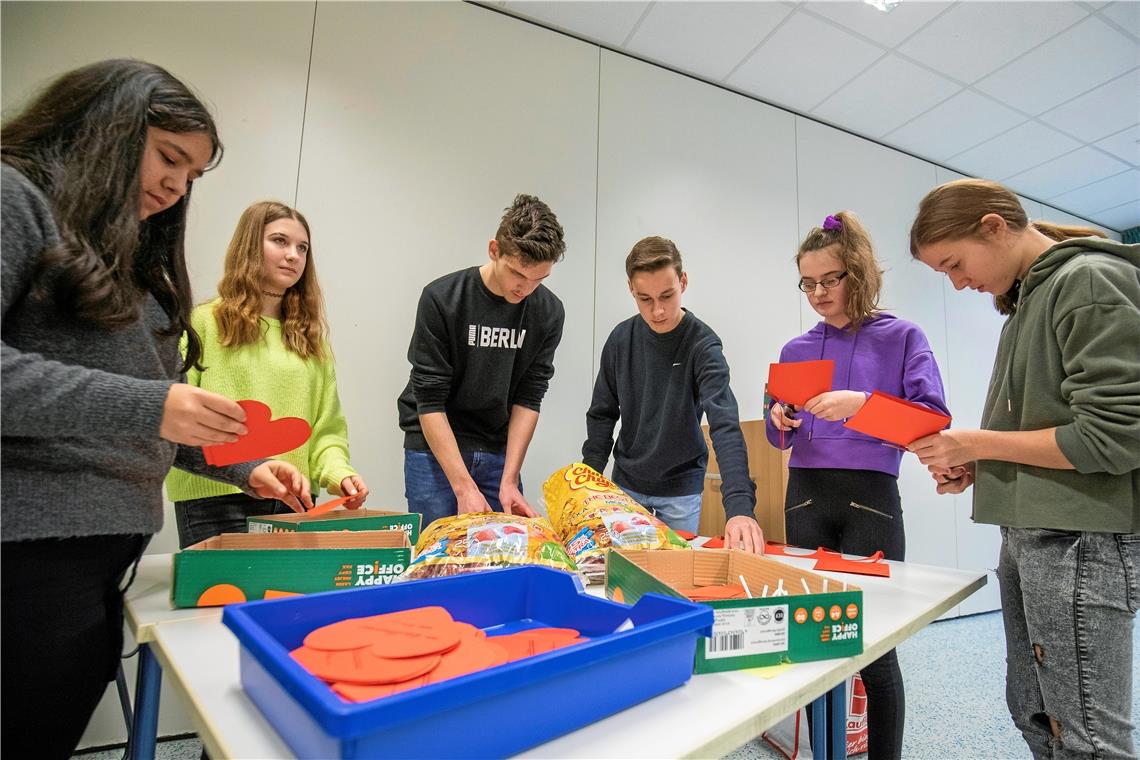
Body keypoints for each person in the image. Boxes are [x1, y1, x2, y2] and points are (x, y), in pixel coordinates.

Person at [0, 60, 310, 759]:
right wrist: (153, 403)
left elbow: (158, 418)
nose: (176, 186)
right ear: (103, 128)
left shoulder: (133, 261)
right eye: (170, 157)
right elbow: (145, 406)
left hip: (100, 553)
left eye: (192, 176)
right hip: (25, 552)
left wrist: (248, 467)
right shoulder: (14, 199)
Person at [909, 178, 1139, 760]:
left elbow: (1113, 436)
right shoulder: (1022, 306)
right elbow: (1046, 429)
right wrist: (981, 465)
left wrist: (976, 443)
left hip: (1079, 538)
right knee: (1036, 712)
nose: (959, 282)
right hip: (1033, 533)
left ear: (992, 226)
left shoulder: (1087, 281)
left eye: (955, 264)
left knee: (1087, 733)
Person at [765, 211, 949, 760]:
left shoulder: (901, 337)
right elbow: (777, 435)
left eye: (830, 279)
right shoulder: (797, 348)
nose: (818, 293)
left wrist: (861, 407)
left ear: (858, 273)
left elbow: (930, 419)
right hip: (805, 495)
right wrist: (779, 420)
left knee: (876, 649)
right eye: (808, 282)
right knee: (816, 646)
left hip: (870, 499)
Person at [166, 201, 369, 548]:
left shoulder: (310, 341)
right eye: (279, 241)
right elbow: (177, 416)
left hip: (294, 504)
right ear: (249, 245)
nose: (293, 255)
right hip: (216, 499)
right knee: (215, 603)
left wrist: (341, 475)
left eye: (302, 248)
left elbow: (327, 431)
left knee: (284, 601)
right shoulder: (202, 323)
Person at [581, 236, 764, 551]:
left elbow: (724, 424)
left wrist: (739, 508)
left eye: (667, 295)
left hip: (680, 488)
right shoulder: (620, 340)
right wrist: (589, 480)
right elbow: (602, 413)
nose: (658, 311)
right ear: (631, 290)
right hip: (626, 483)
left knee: (673, 575)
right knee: (622, 571)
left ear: (683, 281)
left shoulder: (703, 346)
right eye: (645, 299)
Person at [397, 194, 566, 526]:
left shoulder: (549, 312)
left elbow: (529, 397)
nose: (527, 289)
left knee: (503, 560)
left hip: (497, 451)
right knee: (438, 561)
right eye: (519, 274)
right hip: (434, 450)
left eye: (539, 280)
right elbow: (429, 400)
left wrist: (510, 479)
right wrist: (463, 487)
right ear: (494, 250)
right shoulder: (443, 299)